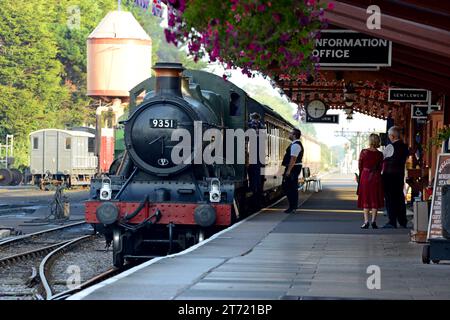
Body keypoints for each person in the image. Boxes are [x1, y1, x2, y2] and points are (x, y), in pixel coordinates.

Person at [382, 126, 409, 228]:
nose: (389, 137)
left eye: (389, 135)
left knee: (390, 199)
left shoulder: (390, 147)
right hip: (399, 175)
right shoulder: (404, 146)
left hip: (389, 176)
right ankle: (402, 221)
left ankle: (392, 221)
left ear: (392, 136)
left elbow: (381, 157)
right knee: (399, 198)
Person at [357, 134, 384, 229]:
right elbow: (381, 167)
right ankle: (374, 221)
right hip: (376, 177)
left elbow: (360, 165)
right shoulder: (380, 154)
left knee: (366, 198)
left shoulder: (364, 152)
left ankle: (366, 222)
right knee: (374, 198)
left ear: (370, 141)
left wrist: (363, 172)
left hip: (365, 176)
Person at [282, 128, 304, 213]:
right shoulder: (295, 144)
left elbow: (293, 159)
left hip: (293, 168)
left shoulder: (296, 145)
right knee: (291, 187)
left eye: (290, 133)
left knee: (289, 187)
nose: (289, 134)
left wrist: (288, 170)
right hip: (294, 168)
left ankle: (292, 207)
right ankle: (293, 207)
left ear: (294, 135)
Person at [247, 112, 265, 207]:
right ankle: (256, 194)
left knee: (254, 175)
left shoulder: (250, 125)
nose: (254, 121)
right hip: (258, 156)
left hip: (254, 155)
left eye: (254, 119)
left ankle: (254, 192)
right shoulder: (261, 127)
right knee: (257, 177)